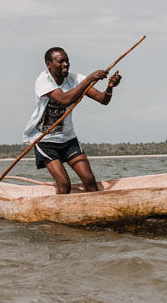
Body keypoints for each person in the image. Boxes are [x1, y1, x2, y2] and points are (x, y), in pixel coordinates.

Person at [24, 47, 121, 194]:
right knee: (64, 184)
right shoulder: (43, 80)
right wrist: (89, 79)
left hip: (68, 139)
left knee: (89, 180)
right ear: (49, 64)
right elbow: (65, 100)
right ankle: (60, 215)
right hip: (45, 141)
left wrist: (110, 87)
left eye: (67, 61)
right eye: (60, 61)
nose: (65, 64)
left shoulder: (75, 79)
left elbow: (103, 99)